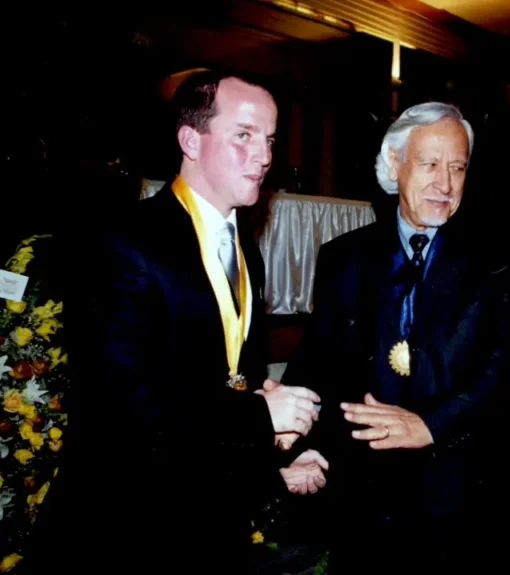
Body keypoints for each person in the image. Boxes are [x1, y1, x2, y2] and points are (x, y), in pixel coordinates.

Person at [42, 71, 327, 574]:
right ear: (190, 140)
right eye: (243, 135)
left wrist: (276, 460)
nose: (263, 156)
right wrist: (263, 420)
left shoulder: (246, 252)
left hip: (209, 525)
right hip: (130, 531)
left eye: (270, 139)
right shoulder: (125, 240)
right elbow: (124, 403)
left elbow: (227, 386)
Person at [278, 102, 510, 572]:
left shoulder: (497, 263)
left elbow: (504, 373)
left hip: (457, 502)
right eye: (430, 164)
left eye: (457, 167)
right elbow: (315, 363)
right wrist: (297, 442)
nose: (445, 184)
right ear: (394, 164)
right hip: (362, 502)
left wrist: (430, 425)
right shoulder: (343, 258)